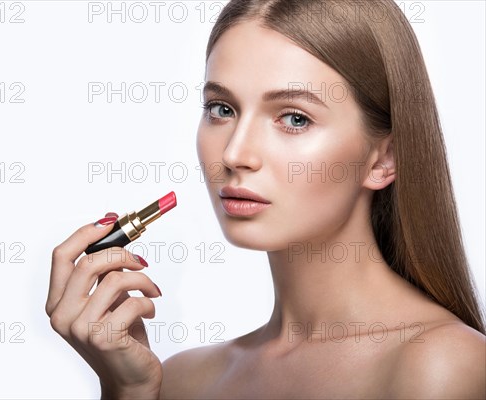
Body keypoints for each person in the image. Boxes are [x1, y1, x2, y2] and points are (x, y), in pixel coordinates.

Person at [45, 0, 486, 398]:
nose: (235, 154)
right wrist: (127, 391)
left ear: (382, 159)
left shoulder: (440, 366)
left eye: (294, 118)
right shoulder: (182, 381)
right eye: (222, 109)